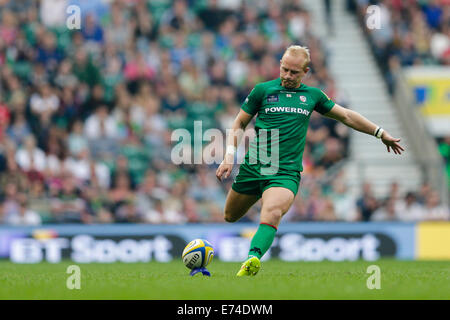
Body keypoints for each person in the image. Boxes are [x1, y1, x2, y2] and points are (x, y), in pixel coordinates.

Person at [215, 45, 404, 276]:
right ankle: (252, 253)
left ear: (306, 71)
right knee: (230, 215)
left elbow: (346, 115)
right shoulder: (262, 91)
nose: (287, 76)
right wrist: (229, 156)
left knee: (272, 210)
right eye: (284, 69)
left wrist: (379, 132)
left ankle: (252, 258)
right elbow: (239, 123)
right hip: (254, 167)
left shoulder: (312, 96)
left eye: (294, 72)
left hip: (285, 172)